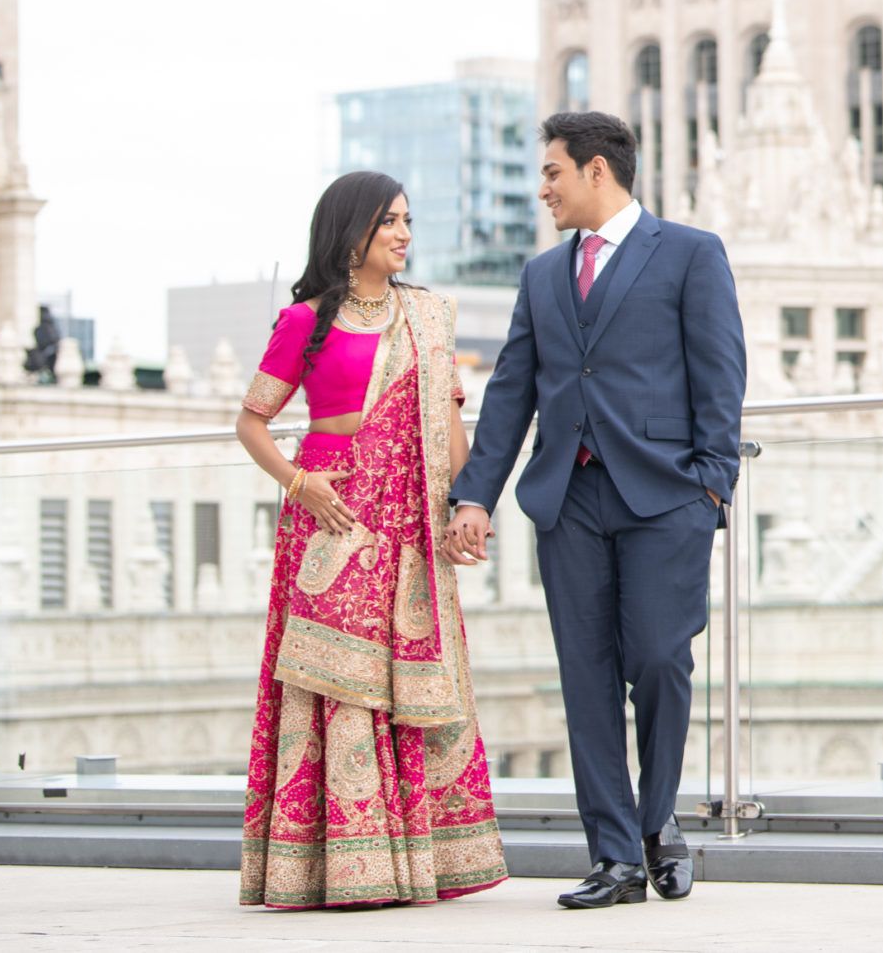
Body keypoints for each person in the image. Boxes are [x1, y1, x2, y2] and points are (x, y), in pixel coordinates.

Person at [447, 111, 746, 909]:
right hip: (568, 499)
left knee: (659, 658)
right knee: (586, 678)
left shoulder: (690, 253)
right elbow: (511, 391)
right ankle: (615, 857)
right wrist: (474, 493)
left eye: (552, 172)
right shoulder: (542, 275)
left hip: (665, 495)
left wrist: (711, 485)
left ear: (596, 171)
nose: (542, 188)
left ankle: (658, 819)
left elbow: (721, 374)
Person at [234, 172, 508, 909]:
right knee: (333, 680)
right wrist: (299, 482)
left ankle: (406, 862)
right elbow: (251, 423)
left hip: (408, 524)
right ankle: (333, 866)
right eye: (389, 221)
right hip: (332, 521)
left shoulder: (427, 316)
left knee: (398, 682)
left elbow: (446, 423)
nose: (403, 234)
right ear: (350, 229)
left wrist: (465, 506)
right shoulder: (304, 321)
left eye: (407, 220)